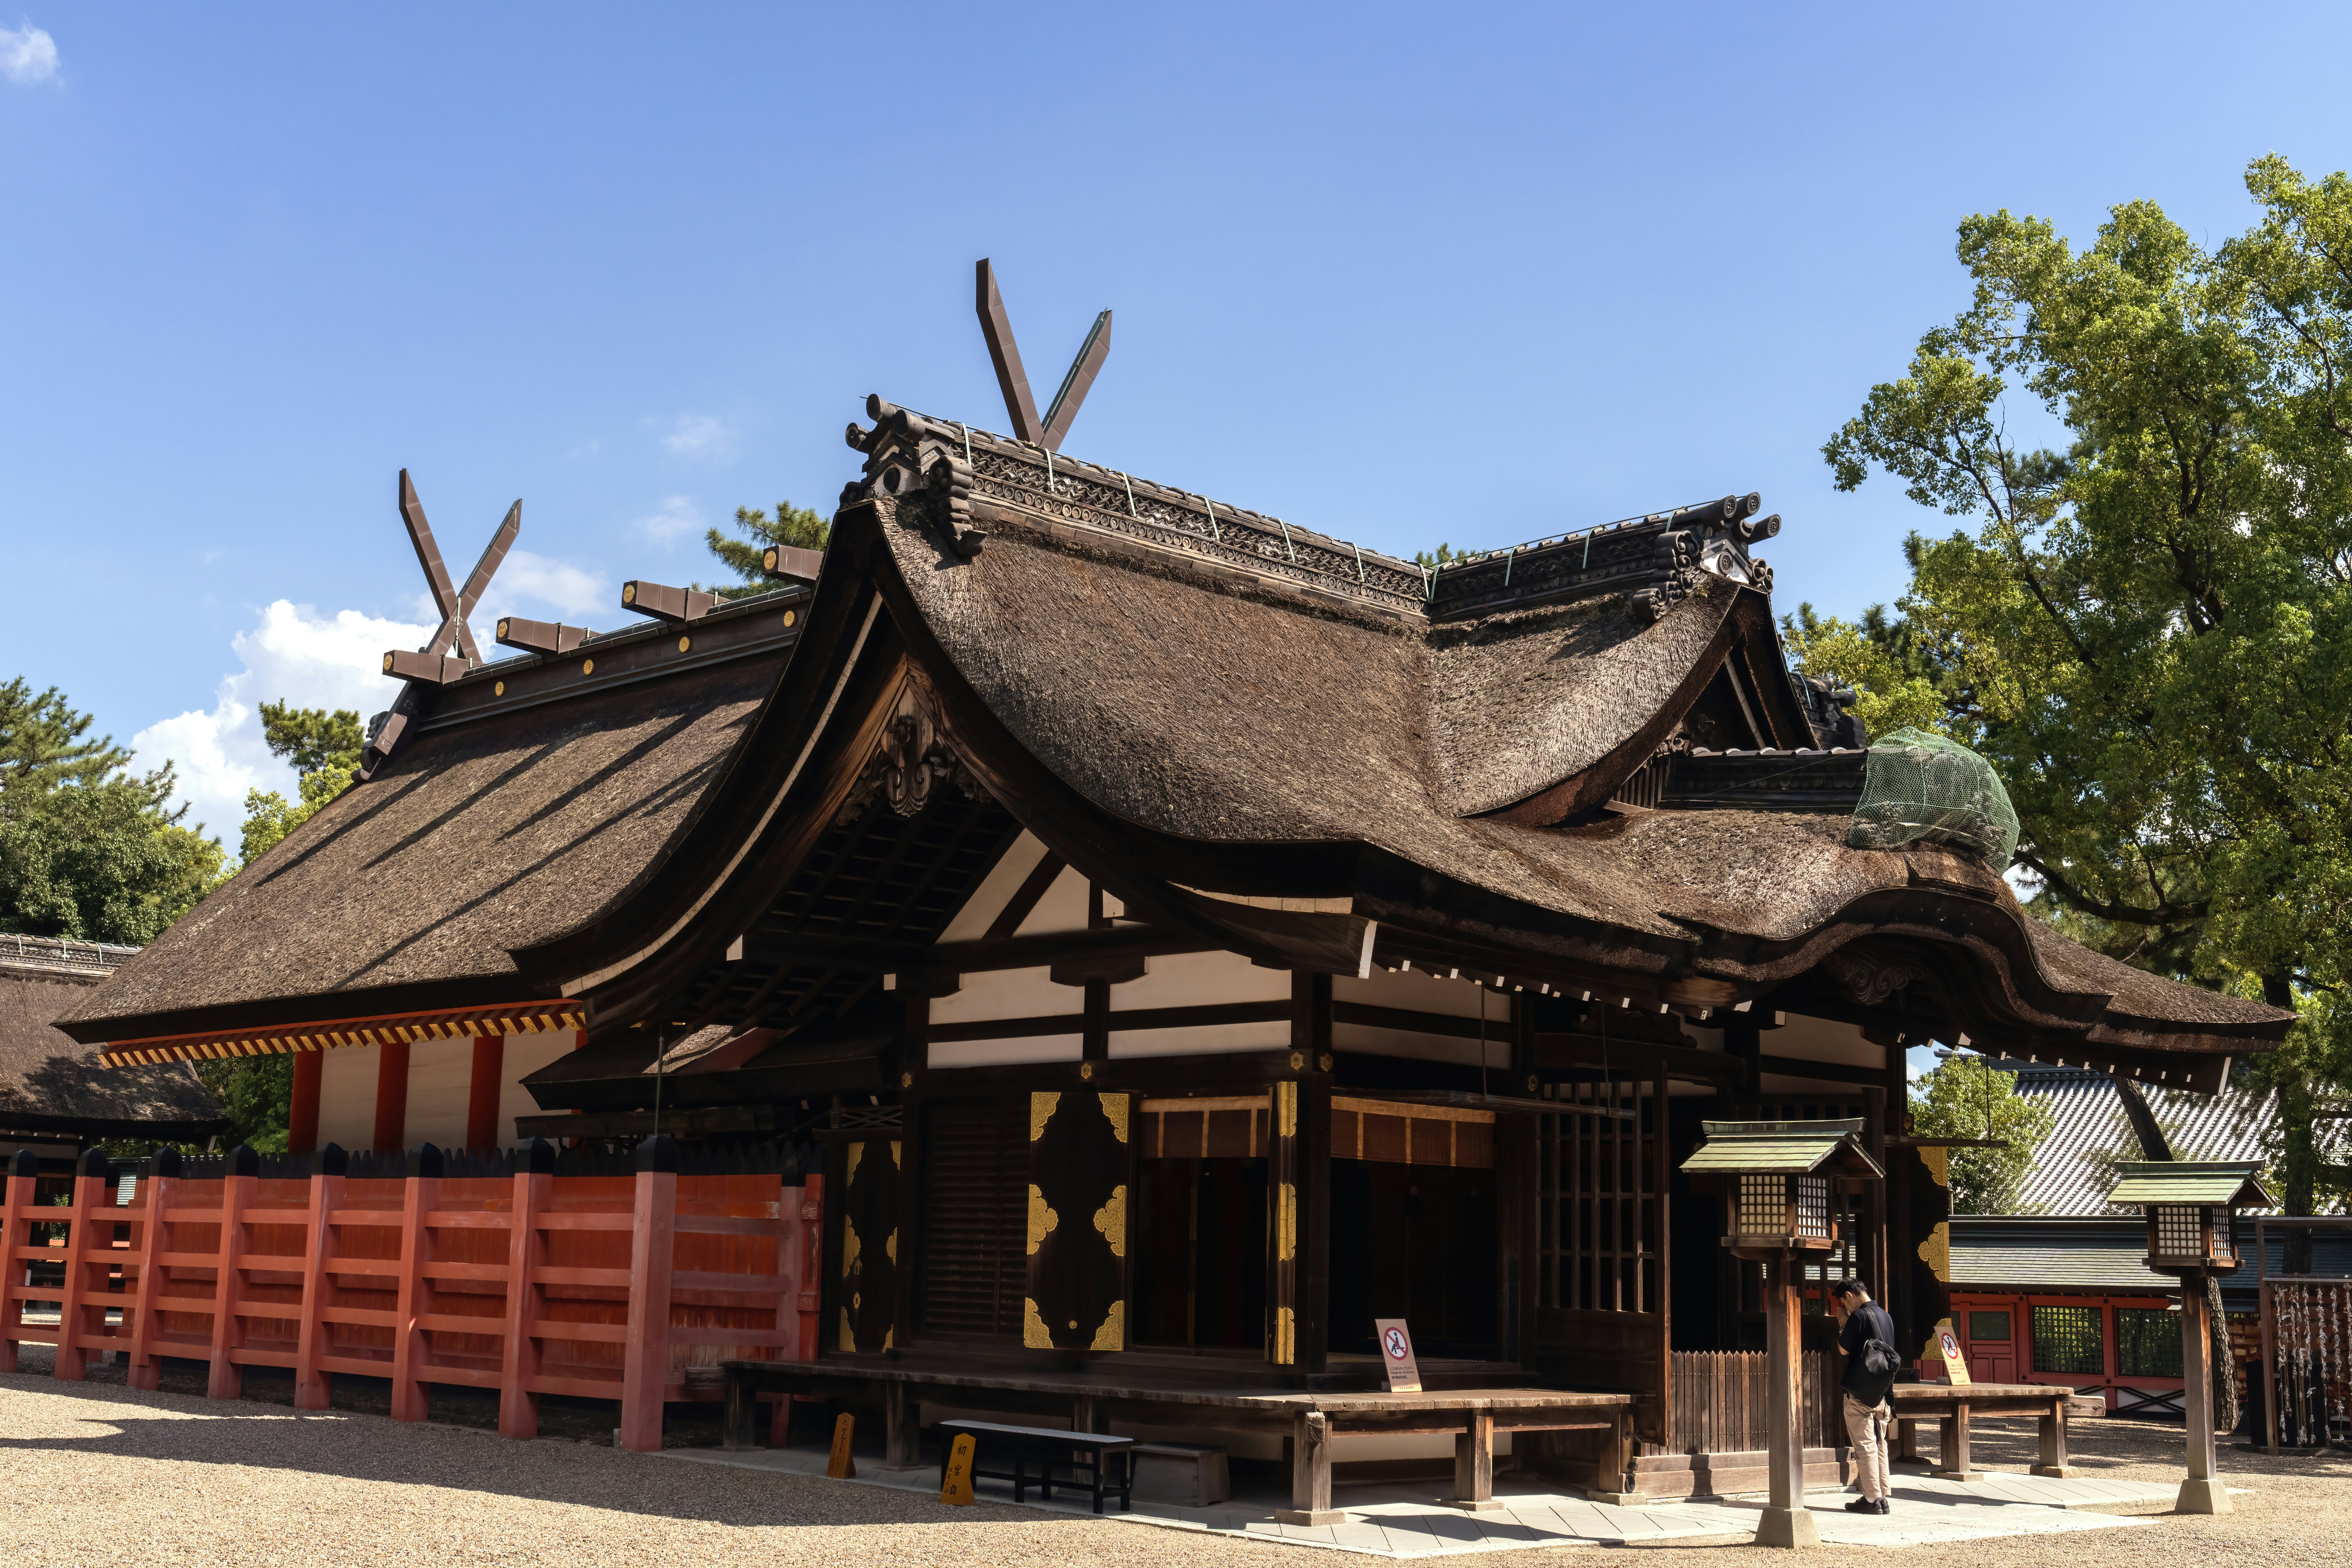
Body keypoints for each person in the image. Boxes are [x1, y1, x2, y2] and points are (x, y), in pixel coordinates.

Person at [1831, 1277, 1898, 1515]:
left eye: (1843, 1301)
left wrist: (1843, 1325)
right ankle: (1883, 1497)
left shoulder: (1858, 1316)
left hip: (1860, 1392)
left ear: (1849, 1295)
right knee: (1880, 1444)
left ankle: (1871, 1500)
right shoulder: (1885, 1316)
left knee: (1865, 1446)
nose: (1845, 1306)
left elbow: (1843, 1349)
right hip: (1882, 1392)